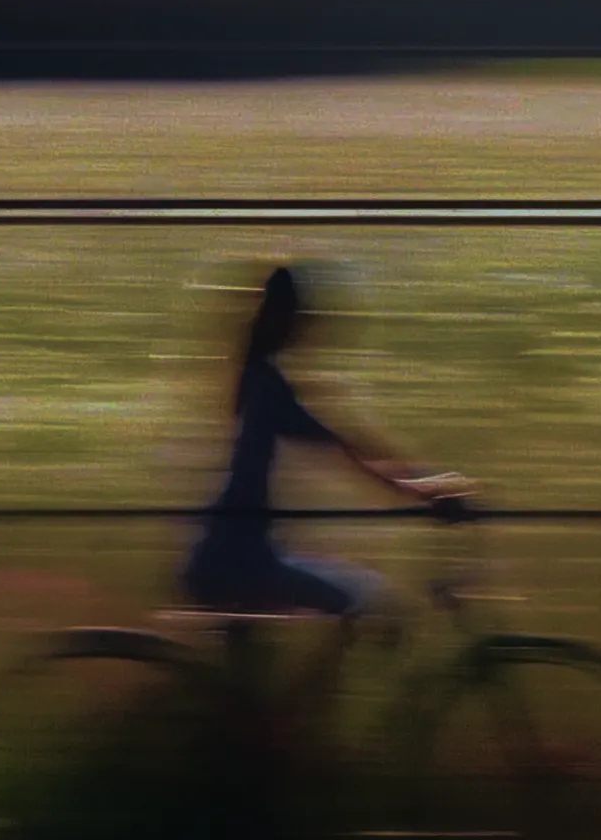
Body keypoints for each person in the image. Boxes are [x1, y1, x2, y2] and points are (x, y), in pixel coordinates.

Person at [183, 264, 476, 628]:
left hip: (226, 552)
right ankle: (315, 686)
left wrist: (420, 481)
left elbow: (349, 443)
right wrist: (422, 490)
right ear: (292, 321)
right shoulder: (268, 387)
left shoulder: (256, 378)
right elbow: (345, 450)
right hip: (242, 559)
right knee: (369, 605)